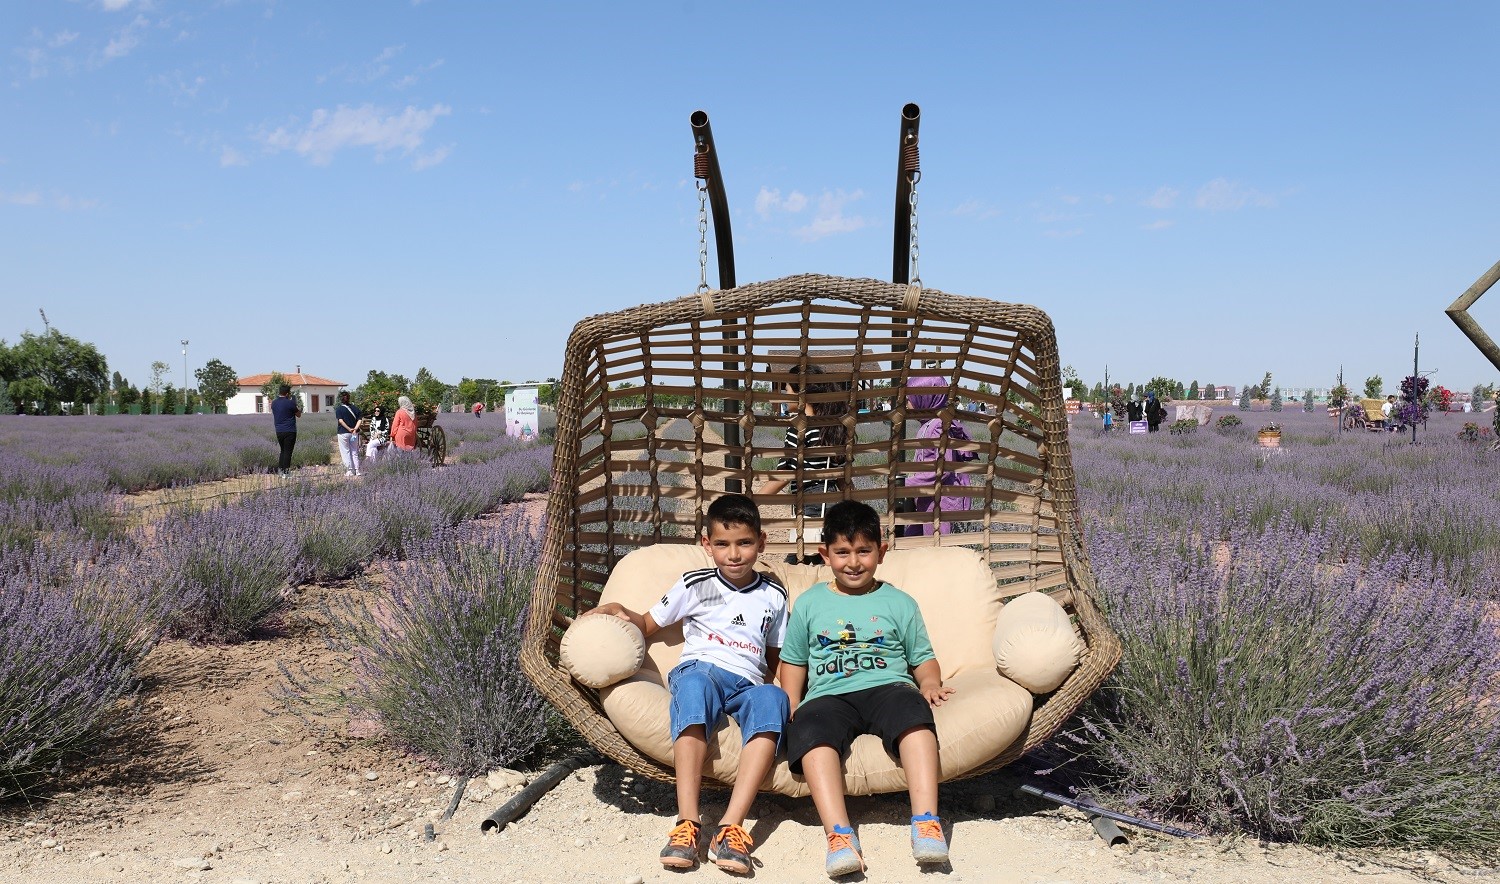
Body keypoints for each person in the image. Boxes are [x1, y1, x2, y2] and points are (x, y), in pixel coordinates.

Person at [583, 494, 789, 875]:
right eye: (723, 544)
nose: (734, 554)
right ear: (707, 545)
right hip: (703, 670)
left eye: (744, 543)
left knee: (774, 700)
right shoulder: (695, 583)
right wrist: (619, 612)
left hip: (747, 682)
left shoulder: (773, 595)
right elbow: (648, 624)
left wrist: (784, 691)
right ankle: (687, 824)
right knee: (694, 689)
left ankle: (731, 827)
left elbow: (776, 656)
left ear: (761, 543)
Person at [779, 500, 954, 877]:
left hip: (886, 686)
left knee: (914, 719)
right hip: (828, 694)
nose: (853, 562)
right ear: (825, 554)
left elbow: (922, 656)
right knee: (810, 732)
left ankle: (926, 822)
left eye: (863, 551)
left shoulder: (899, 602)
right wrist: (792, 699)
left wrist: (929, 682)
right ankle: (839, 835)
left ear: (882, 551)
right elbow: (793, 661)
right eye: (842, 552)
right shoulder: (810, 603)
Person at [760, 364, 850, 561]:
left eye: (787, 390)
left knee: (800, 563)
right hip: (834, 502)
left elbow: (785, 473)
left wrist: (751, 502)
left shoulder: (800, 428)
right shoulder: (834, 426)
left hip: (810, 503)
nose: (784, 395)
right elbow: (843, 475)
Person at [906, 376, 976, 536]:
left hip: (940, 502)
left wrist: (907, 483)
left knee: (937, 551)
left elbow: (942, 469)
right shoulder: (927, 424)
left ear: (924, 398)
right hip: (928, 499)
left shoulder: (938, 426)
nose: (907, 403)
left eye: (909, 398)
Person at [270, 384, 301, 474]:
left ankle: (280, 471)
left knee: (282, 451)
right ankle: (286, 473)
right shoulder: (290, 403)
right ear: (287, 393)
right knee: (288, 452)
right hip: (290, 430)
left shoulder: (274, 403)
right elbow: (298, 415)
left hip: (279, 430)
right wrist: (297, 406)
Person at [334, 391, 362, 477]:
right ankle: (357, 470)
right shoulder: (355, 408)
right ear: (349, 398)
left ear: (341, 399)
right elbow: (360, 419)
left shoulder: (339, 409)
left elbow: (341, 421)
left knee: (345, 451)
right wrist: (355, 429)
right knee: (354, 451)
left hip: (343, 432)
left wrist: (349, 429)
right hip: (354, 433)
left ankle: (349, 470)